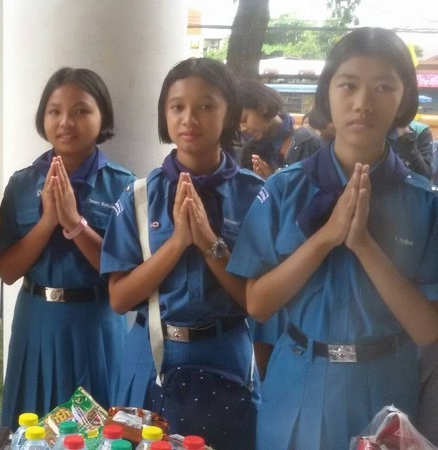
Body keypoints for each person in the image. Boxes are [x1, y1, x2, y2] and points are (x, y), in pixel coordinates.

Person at [227, 27, 438, 449]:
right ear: (328, 93)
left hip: (385, 383)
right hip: (299, 376)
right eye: (348, 85)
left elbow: (427, 328)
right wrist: (324, 238)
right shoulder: (284, 190)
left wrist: (364, 245)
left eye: (384, 87)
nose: (363, 103)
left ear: (403, 99)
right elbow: (258, 303)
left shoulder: (422, 202)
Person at [100, 58, 264, 446]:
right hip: (150, 355)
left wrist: (209, 243)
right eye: (177, 107)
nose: (190, 118)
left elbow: (255, 301)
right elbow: (120, 299)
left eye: (206, 106)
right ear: (165, 113)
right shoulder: (140, 196)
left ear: (229, 113)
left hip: (225, 353)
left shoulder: (254, 195)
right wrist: (176, 244)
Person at [0, 67, 134, 429]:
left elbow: (126, 275)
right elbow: (8, 271)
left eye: (81, 111)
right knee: (32, 427)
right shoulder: (22, 184)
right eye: (54, 111)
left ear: (102, 116)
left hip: (96, 323)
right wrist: (47, 223)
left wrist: (74, 223)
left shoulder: (124, 187)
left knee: (99, 431)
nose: (65, 122)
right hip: (37, 320)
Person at [236, 79, 324, 178]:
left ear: (262, 107)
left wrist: (273, 181)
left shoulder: (309, 142)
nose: (242, 128)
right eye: (237, 125)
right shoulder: (250, 152)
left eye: (243, 120)